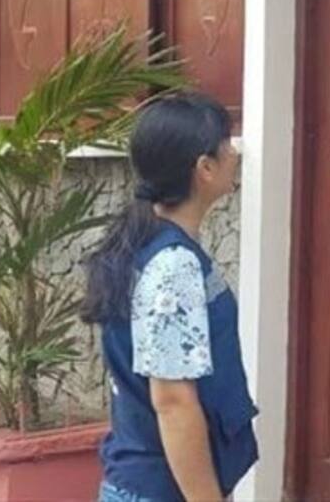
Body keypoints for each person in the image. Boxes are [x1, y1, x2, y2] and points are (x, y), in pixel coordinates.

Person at [81, 94, 256, 502]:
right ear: (204, 168)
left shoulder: (145, 244)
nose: (234, 154)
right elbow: (174, 402)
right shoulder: (173, 265)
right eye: (226, 145)